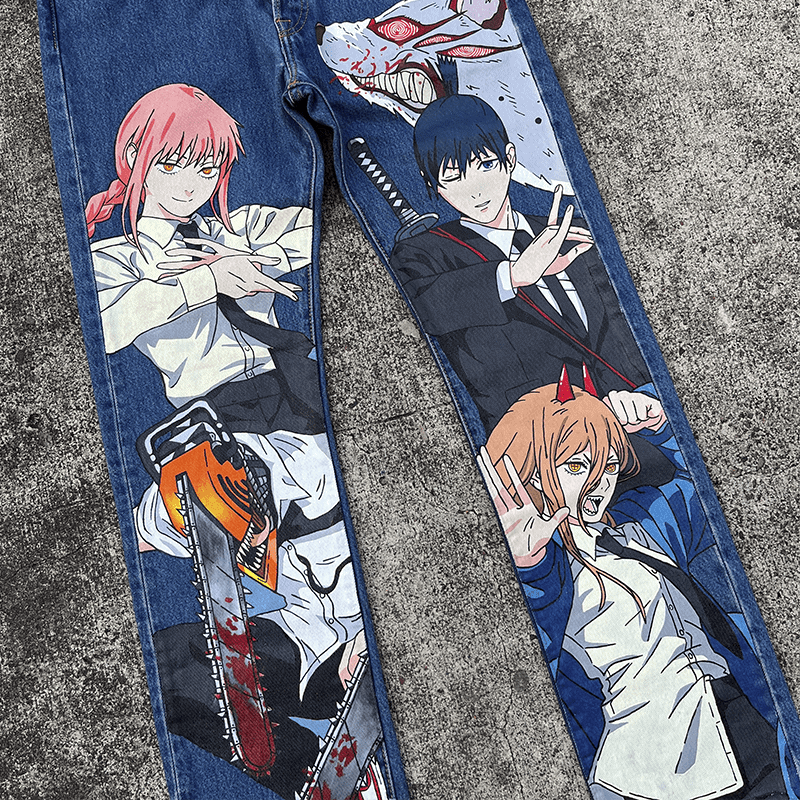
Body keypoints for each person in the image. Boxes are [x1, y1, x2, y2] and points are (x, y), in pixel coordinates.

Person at [85, 83, 372, 798]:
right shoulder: (117, 261)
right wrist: (206, 281)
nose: (191, 186)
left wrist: (248, 257)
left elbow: (307, 224)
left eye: (207, 168)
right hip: (212, 431)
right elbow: (107, 323)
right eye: (171, 165)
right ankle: (307, 773)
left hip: (298, 409)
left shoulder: (239, 225)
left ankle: (350, 638)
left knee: (293, 501)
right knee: (170, 656)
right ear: (134, 158)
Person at [478, 377, 791, 800]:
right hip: (657, 768)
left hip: (744, 721)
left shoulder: (639, 524)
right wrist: (530, 568)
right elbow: (537, 651)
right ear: (527, 472)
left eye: (608, 466)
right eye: (577, 467)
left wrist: (659, 422)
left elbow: (703, 492)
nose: (599, 484)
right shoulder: (548, 575)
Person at [390, 94, 652, 436]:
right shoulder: (424, 255)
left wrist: (646, 395)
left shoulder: (569, 233)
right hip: (538, 445)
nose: (476, 190)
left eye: (486, 165)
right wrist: (514, 275)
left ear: (510, 158)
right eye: (454, 177)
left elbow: (616, 325)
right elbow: (431, 306)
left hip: (636, 417)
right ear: (433, 185)